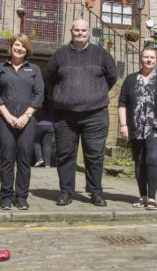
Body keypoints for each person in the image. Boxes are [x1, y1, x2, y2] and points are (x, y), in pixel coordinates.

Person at [46, 19, 117, 207]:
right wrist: (65, 96)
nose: (80, 33)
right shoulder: (59, 55)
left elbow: (111, 78)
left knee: (94, 155)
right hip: (65, 116)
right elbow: (50, 80)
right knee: (65, 154)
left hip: (95, 114)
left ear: (89, 32)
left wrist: (93, 94)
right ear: (71, 31)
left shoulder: (102, 54)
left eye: (83, 30)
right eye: (76, 30)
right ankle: (66, 191)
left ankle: (95, 192)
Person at [118, 46, 157, 210]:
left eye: (152, 57)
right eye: (146, 57)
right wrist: (123, 125)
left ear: (156, 60)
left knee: (152, 159)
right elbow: (122, 102)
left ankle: (152, 197)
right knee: (139, 161)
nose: (149, 60)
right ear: (141, 58)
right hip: (136, 127)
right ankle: (142, 195)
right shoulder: (130, 79)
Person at [0, 34, 44, 210]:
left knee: (24, 158)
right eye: (16, 45)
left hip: (27, 121)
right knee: (6, 158)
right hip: (5, 120)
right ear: (11, 47)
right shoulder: (0, 68)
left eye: (23, 46)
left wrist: (26, 116)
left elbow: (39, 95)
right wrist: (8, 116)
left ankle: (21, 196)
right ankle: (6, 196)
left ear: (27, 49)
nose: (19, 48)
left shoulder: (34, 69)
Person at [33, 88, 54, 168]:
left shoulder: (38, 102)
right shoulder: (51, 102)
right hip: (50, 126)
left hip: (39, 125)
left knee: (35, 142)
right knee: (47, 144)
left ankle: (39, 158)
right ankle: (47, 164)